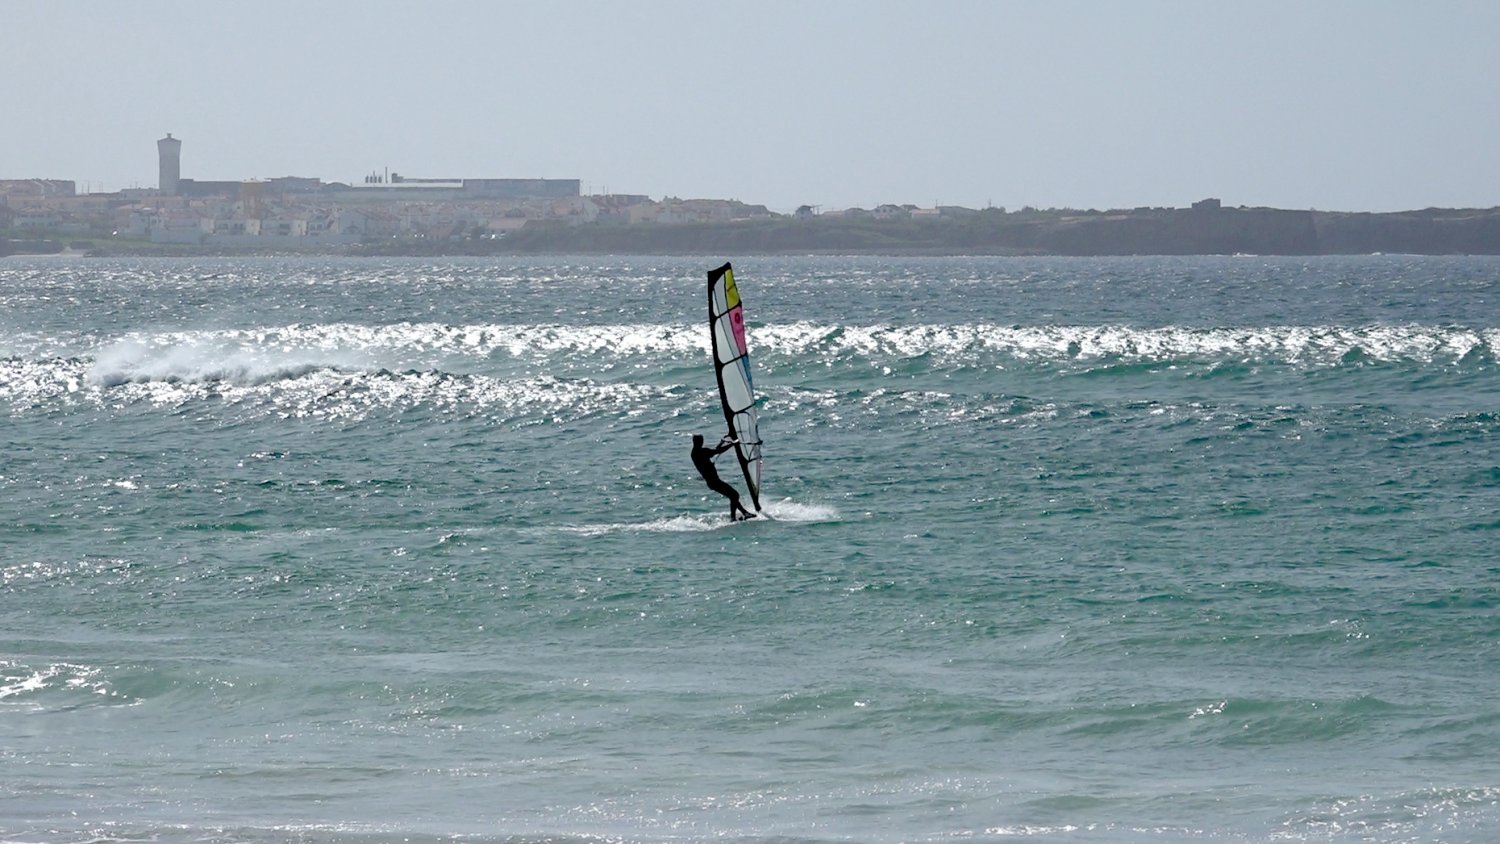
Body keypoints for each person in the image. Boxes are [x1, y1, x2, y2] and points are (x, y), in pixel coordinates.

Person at [691, 433, 757, 521]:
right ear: (697, 441)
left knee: (732, 496)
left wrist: (721, 443)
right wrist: (732, 444)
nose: (702, 442)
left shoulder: (695, 452)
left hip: (712, 481)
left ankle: (744, 513)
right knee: (734, 495)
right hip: (714, 481)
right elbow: (717, 451)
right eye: (701, 441)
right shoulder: (700, 452)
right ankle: (733, 518)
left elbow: (714, 452)